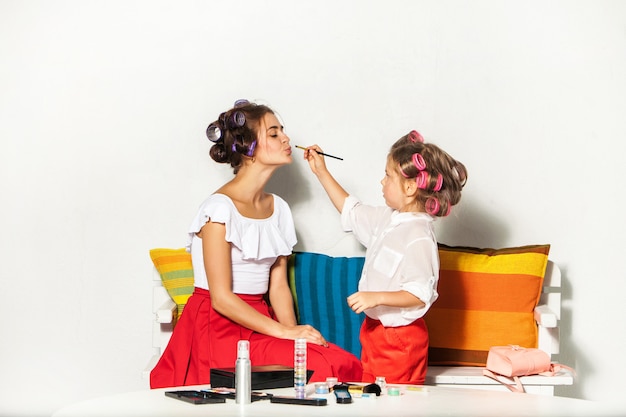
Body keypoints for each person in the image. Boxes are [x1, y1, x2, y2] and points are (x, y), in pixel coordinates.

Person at [150, 100, 363, 389]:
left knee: (339, 363)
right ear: (247, 147)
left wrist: (294, 334)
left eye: (282, 131)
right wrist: (284, 333)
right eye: (274, 134)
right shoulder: (218, 209)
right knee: (324, 367)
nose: (286, 138)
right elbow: (221, 298)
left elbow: (278, 287)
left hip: (262, 322)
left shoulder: (279, 209)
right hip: (218, 327)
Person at [302, 130, 467, 385]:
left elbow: (419, 293)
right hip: (374, 333)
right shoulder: (388, 219)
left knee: (396, 404)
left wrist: (376, 297)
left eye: (388, 176)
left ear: (410, 187)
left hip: (400, 340)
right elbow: (351, 211)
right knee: (374, 399)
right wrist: (321, 171)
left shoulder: (419, 236)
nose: (382, 182)